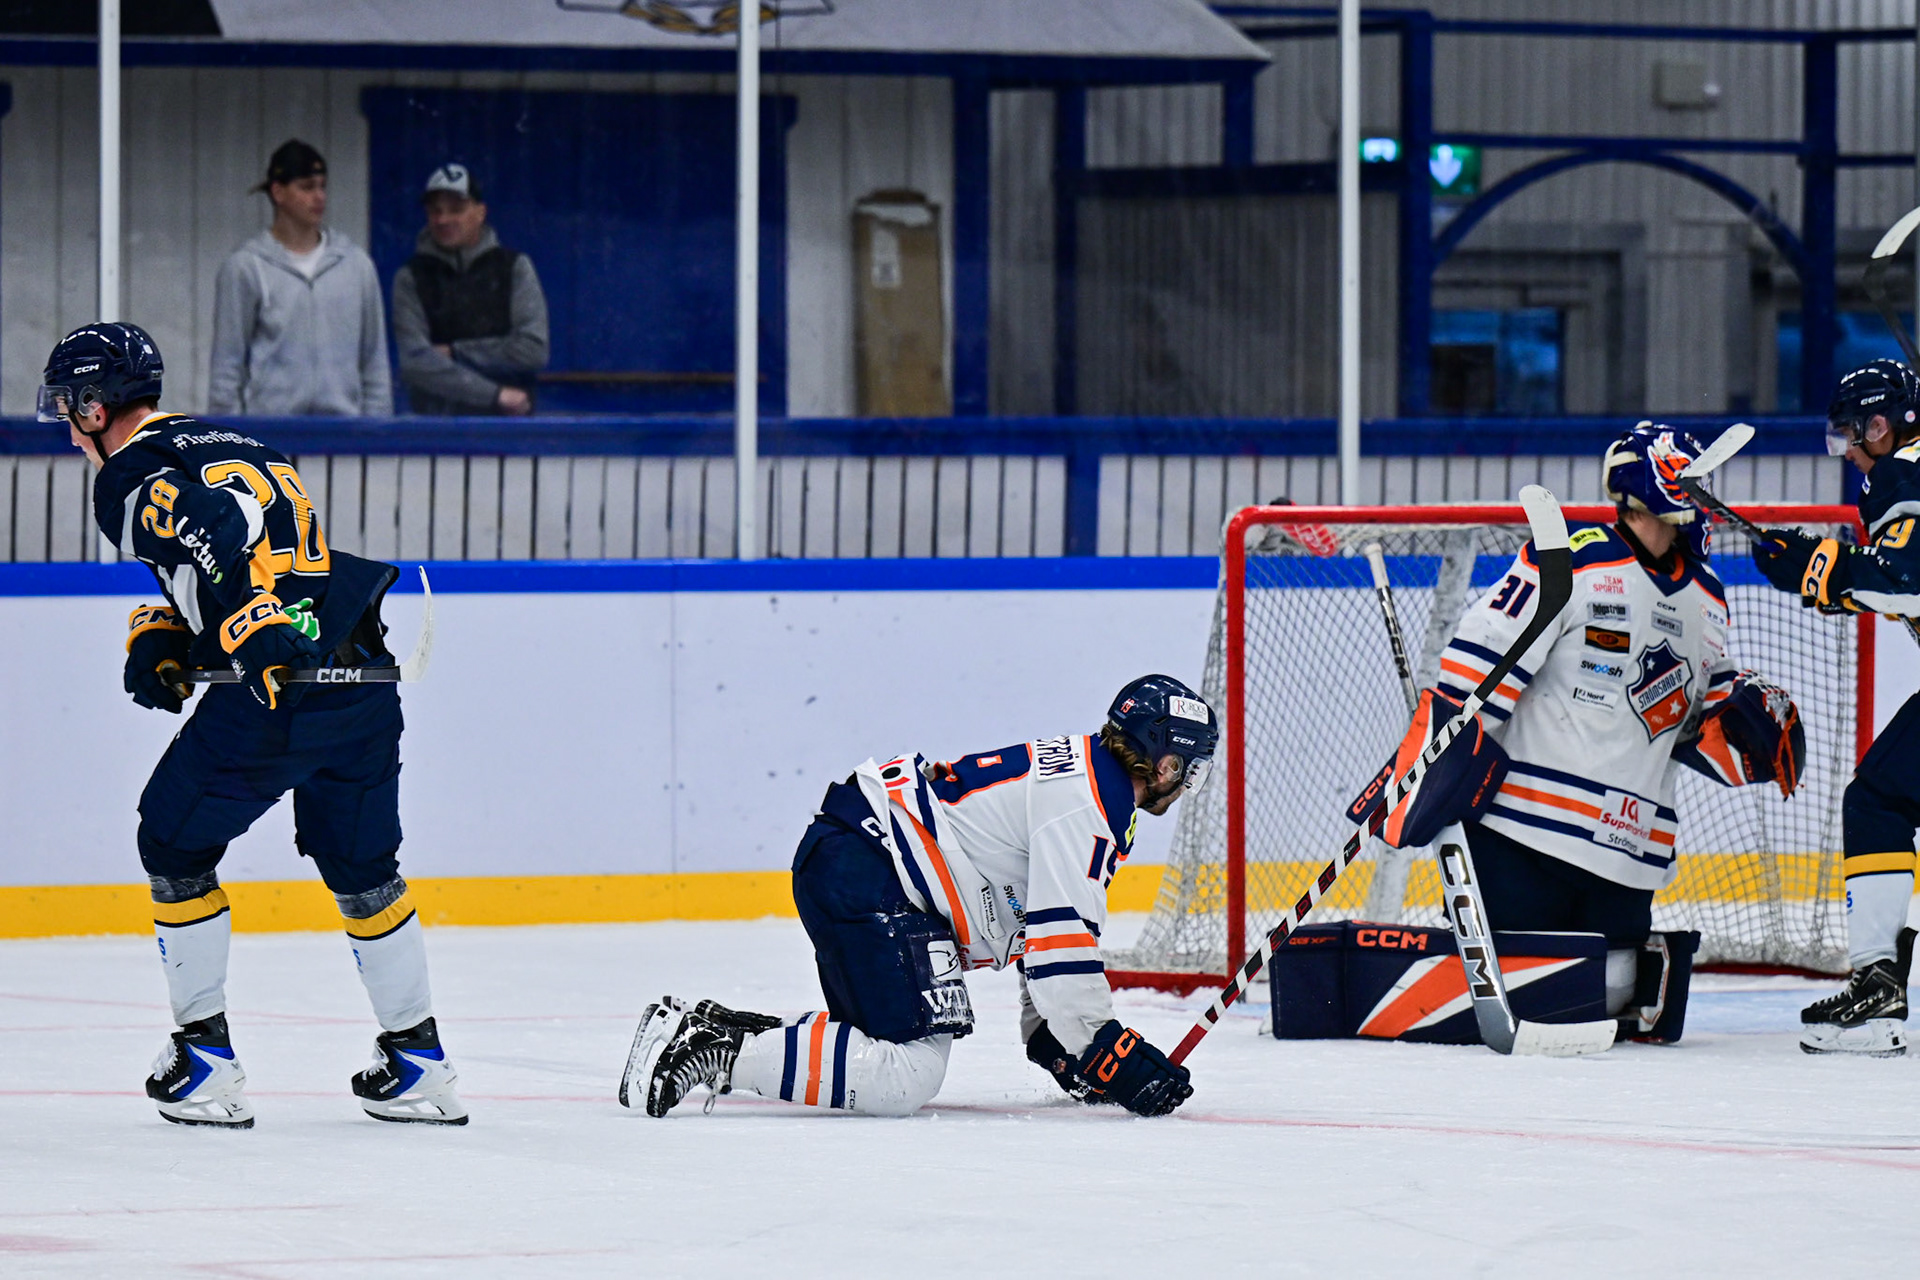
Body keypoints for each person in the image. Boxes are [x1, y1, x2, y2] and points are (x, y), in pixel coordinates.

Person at [42, 322, 461, 1127]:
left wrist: (249, 619)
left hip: (276, 693)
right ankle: (419, 1060)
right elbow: (254, 551)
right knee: (364, 870)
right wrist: (173, 630)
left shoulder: (128, 471)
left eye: (69, 409)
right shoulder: (240, 443)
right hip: (362, 682)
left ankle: (203, 1060)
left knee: (172, 842)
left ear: (95, 407)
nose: (67, 428)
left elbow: (214, 528)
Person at [618, 676, 1218, 1119]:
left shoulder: (1089, 781)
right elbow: (1062, 943)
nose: (1188, 781)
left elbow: (1045, 926)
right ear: (1165, 762)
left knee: (883, 1049)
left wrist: (1056, 1040)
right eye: (1189, 767)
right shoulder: (1088, 805)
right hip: (869, 871)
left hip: (863, 860)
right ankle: (712, 1050)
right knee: (905, 1072)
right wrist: (1107, 1052)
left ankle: (717, 1031)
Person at [1374, 424, 1804, 1037]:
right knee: (1513, 1019)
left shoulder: (1709, 597)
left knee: (1603, 1023)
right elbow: (1471, 673)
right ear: (1659, 485)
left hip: (1628, 862)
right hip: (1523, 843)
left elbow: (1687, 723)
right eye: (1694, 481)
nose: (1705, 496)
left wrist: (1738, 722)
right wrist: (1433, 769)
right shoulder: (1572, 560)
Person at [1752, 359, 1920, 1055]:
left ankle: (1878, 989)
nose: (1848, 449)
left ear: (1881, 425)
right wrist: (1823, 570)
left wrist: (1813, 566)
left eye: (1852, 433)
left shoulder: (1903, 469)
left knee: (1879, 801)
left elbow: (1906, 580)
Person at [208, 139, 392, 417]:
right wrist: (228, 434)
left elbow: (374, 359)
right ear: (278, 192)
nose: (319, 197)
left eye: (322, 186)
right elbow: (228, 363)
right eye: (307, 187)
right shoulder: (246, 267)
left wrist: (375, 427)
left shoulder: (356, 266)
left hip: (344, 427)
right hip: (272, 428)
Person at [391, 164, 549, 416]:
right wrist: (495, 394)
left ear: (480, 212)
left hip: (509, 428)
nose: (443, 219)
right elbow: (415, 363)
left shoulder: (515, 268)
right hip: (435, 429)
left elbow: (533, 351)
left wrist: (456, 352)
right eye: (435, 211)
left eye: (456, 209)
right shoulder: (410, 277)